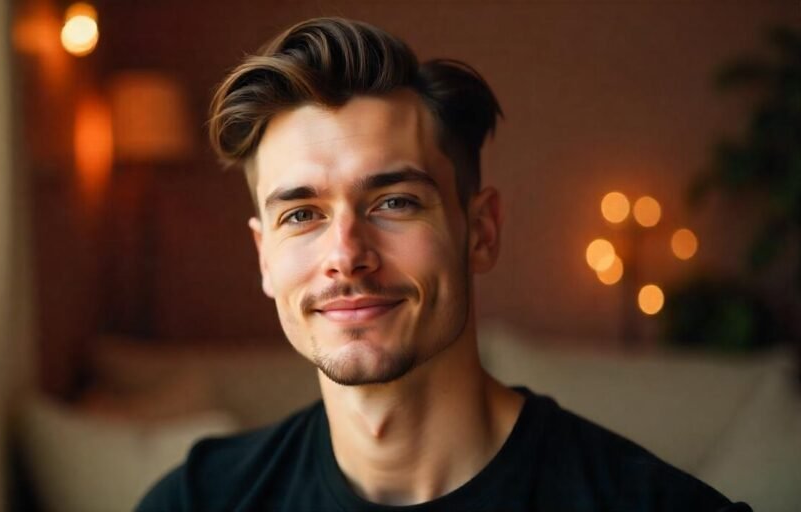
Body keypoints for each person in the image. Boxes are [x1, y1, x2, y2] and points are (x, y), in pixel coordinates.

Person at [136, 17, 751, 511]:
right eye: (301, 215)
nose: (347, 254)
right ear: (264, 256)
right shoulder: (194, 499)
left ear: (479, 232)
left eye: (394, 202)